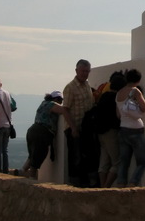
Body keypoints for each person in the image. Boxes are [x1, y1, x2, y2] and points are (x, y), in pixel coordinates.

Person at [19, 91, 75, 179]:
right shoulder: (51, 104)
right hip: (42, 132)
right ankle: (32, 178)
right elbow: (64, 110)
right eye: (60, 100)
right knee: (39, 155)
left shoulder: (43, 103)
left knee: (33, 154)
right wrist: (73, 127)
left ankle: (22, 171)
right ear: (55, 99)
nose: (60, 102)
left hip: (32, 130)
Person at [63, 59, 95, 187]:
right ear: (76, 71)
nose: (85, 74)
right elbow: (65, 109)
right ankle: (74, 184)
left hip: (86, 127)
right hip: (74, 128)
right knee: (75, 158)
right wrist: (73, 128)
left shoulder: (87, 85)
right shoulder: (70, 87)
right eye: (83, 71)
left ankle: (85, 183)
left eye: (87, 71)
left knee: (87, 156)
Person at [115, 69, 145, 187]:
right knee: (142, 162)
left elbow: (118, 114)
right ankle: (133, 183)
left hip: (123, 128)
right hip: (136, 129)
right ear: (138, 80)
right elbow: (144, 108)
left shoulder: (118, 93)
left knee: (124, 162)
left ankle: (120, 186)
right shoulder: (135, 91)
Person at [94, 70, 126, 187]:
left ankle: (102, 188)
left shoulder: (104, 96)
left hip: (100, 133)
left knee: (104, 162)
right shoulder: (115, 99)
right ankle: (106, 187)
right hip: (110, 132)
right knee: (118, 162)